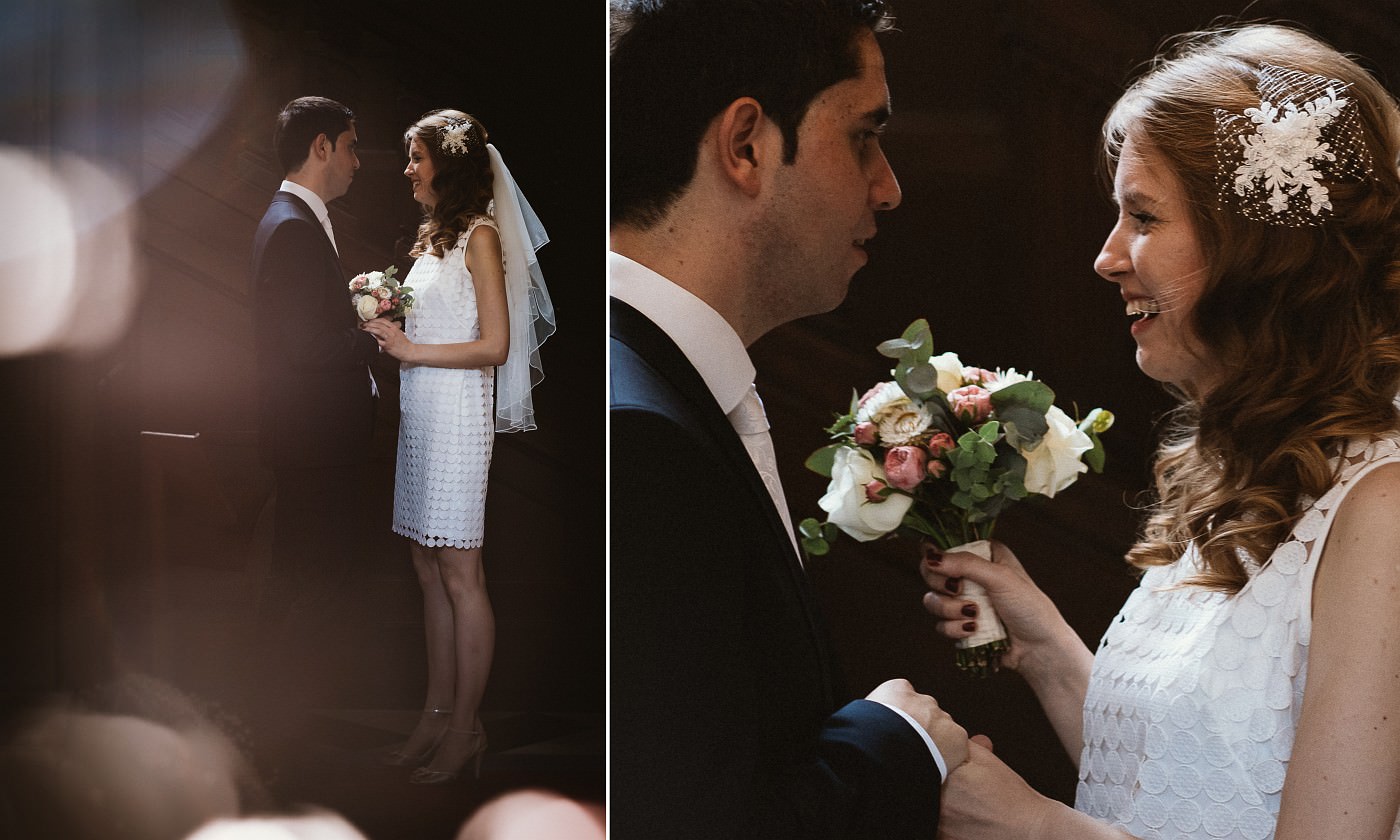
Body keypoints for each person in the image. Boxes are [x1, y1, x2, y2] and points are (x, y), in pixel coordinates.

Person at [921, 23, 1400, 839]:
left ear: (1258, 249)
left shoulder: (1382, 509)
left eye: (1142, 216)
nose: (1108, 258)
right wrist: (1042, 645)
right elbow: (1176, 783)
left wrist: (1039, 829)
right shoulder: (1248, 468)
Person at [609, 1, 968, 837]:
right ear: (746, 145)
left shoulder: (669, 390)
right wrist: (898, 739)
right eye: (863, 136)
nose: (890, 186)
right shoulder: (641, 437)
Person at [360, 109, 554, 785]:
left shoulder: (481, 236)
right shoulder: (432, 237)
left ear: (448, 162)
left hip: (458, 417)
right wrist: (385, 311)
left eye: (415, 157)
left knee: (461, 573)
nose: (408, 168)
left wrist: (411, 347)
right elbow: (436, 321)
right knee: (425, 565)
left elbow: (496, 345)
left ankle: (466, 729)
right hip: (420, 410)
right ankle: (433, 717)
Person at [250, 96, 380, 727]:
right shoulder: (295, 227)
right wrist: (377, 332)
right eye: (352, 145)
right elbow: (305, 348)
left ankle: (279, 720)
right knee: (310, 585)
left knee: (305, 580)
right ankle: (281, 725)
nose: (359, 160)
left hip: (311, 440)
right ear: (322, 146)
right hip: (316, 442)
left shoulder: (293, 217)